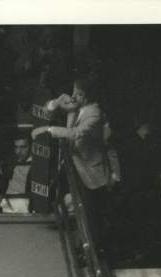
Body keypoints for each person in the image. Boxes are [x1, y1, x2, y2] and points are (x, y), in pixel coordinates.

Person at [32, 79, 112, 247]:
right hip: (72, 163)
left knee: (90, 213)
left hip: (89, 169)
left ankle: (94, 249)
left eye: (79, 94)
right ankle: (81, 242)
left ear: (87, 97)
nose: (74, 96)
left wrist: (48, 130)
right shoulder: (75, 105)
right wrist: (56, 102)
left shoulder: (94, 113)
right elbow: (47, 112)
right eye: (74, 91)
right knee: (70, 202)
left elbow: (75, 133)